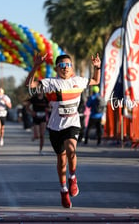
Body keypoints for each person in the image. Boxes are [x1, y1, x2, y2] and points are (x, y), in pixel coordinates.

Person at [25, 53, 101, 208]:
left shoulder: (78, 81)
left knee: (71, 150)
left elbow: (96, 80)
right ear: (56, 68)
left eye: (68, 65)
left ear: (71, 67)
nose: (65, 68)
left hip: (72, 124)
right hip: (55, 126)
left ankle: (72, 178)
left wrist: (97, 67)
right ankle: (63, 190)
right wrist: (35, 66)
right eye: (62, 66)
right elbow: (29, 85)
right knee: (61, 160)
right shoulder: (50, 83)